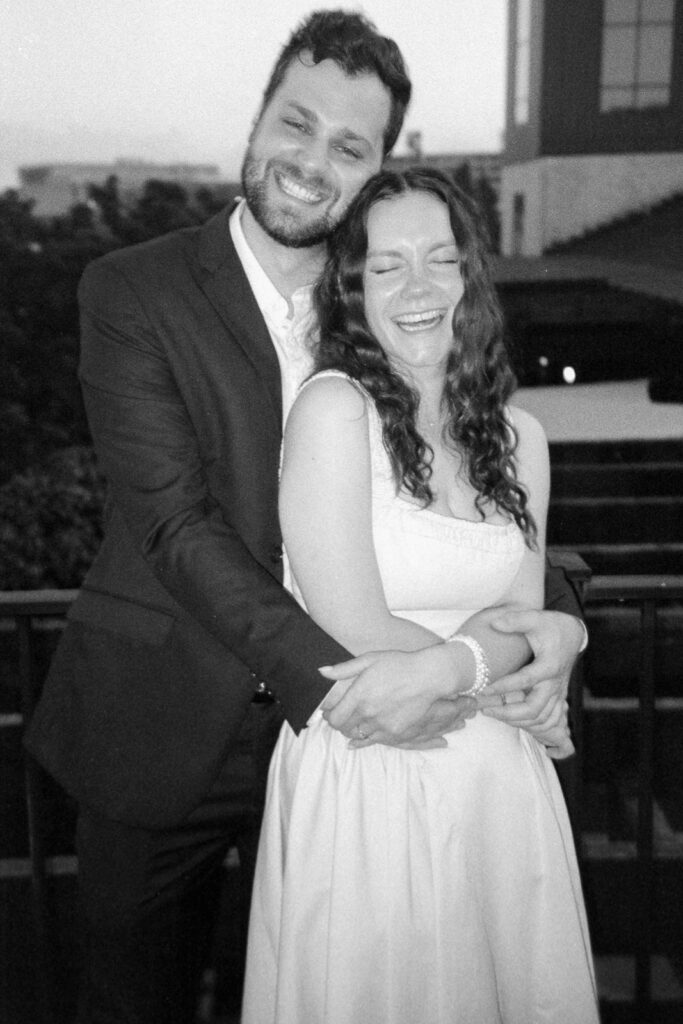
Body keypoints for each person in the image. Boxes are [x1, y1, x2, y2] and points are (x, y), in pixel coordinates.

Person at [25, 10, 586, 1023]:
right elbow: (176, 524)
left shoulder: (388, 310)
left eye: (348, 145)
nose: (309, 160)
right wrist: (443, 672)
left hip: (370, 752)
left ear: (375, 166)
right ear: (257, 119)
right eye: (296, 122)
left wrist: (555, 621)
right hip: (172, 731)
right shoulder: (134, 288)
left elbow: (470, 504)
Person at [241, 167, 599, 1024]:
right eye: (387, 264)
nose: (418, 286)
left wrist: (538, 640)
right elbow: (351, 621)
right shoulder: (332, 410)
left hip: (499, 783)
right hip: (376, 764)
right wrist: (497, 656)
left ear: (469, 278)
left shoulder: (523, 439)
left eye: (440, 259)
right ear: (351, 285)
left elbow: (522, 612)